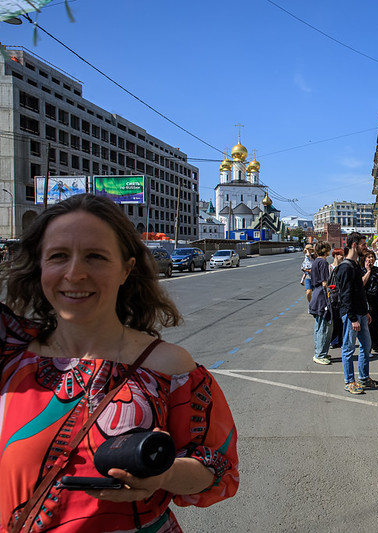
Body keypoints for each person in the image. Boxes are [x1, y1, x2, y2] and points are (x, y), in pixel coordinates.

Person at [0, 194, 239, 532]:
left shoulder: (169, 368)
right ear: (40, 265)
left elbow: (219, 471)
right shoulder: (11, 356)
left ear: (127, 269)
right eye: (58, 256)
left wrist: (165, 475)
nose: (74, 273)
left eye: (95, 257)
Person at [336, 232, 378, 395]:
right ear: (354, 245)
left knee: (366, 345)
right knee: (348, 348)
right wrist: (353, 317)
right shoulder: (345, 267)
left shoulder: (355, 265)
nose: (366, 247)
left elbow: (359, 291)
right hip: (351, 315)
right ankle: (349, 381)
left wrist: (366, 311)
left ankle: (363, 378)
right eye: (363, 244)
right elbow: (345, 295)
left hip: (361, 313)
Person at [309, 241, 333, 365]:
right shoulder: (323, 262)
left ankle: (320, 351)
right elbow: (325, 283)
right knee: (324, 327)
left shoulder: (315, 262)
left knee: (319, 327)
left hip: (316, 295)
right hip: (321, 297)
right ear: (325, 250)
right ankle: (320, 354)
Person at [362, 250, 378, 357]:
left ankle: (377, 346)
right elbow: (362, 283)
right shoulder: (362, 270)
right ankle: (368, 348)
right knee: (369, 324)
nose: (371, 259)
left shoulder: (376, 270)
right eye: (368, 257)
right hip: (368, 300)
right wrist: (368, 271)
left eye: (372, 257)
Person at [329, 248, 345, 349]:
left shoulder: (343, 267)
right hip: (333, 296)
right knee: (334, 319)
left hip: (342, 296)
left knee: (341, 319)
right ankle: (334, 340)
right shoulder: (330, 267)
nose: (343, 257)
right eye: (341, 255)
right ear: (335, 255)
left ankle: (341, 340)